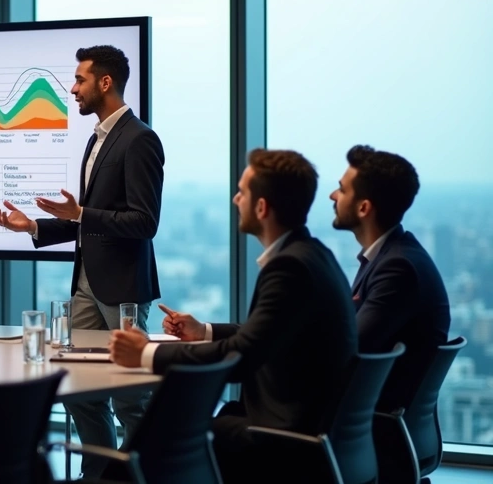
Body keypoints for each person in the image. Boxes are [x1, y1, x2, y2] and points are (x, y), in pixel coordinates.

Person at [110, 148, 357, 483]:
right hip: (307, 432)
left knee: (154, 447)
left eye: (242, 192)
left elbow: (241, 357)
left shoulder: (290, 267)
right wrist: (205, 331)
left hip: (284, 442)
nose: (234, 199)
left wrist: (146, 353)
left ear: (261, 207)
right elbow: (263, 334)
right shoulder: (313, 255)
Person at [0, 44, 163, 475]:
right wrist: (32, 227)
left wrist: (82, 213)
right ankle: (101, 473)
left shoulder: (139, 140)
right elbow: (87, 223)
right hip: (85, 285)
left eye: (80, 80)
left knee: (129, 397)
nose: (72, 89)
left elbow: (144, 222)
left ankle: (148, 475)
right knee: (82, 394)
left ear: (105, 83)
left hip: (121, 290)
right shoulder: (95, 140)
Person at [329, 146, 449, 408]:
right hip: (369, 422)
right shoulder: (390, 257)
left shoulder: (398, 268)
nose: (333, 195)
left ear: (363, 208)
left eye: (342, 189)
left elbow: (347, 348)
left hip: (373, 430)